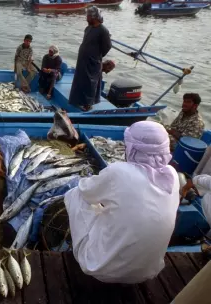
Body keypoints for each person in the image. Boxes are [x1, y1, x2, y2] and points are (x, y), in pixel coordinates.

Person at [64, 120, 180, 284]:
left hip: (102, 269)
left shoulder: (119, 171)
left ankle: (89, 253)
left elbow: (85, 191)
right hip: (148, 271)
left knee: (74, 194)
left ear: (132, 148)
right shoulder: (172, 176)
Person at [68, 6, 112, 112]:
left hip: (93, 61)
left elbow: (107, 46)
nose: (86, 18)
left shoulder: (103, 31)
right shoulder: (88, 28)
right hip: (83, 60)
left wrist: (96, 56)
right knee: (80, 80)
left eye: (88, 16)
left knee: (89, 83)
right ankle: (77, 100)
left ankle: (88, 104)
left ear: (94, 17)